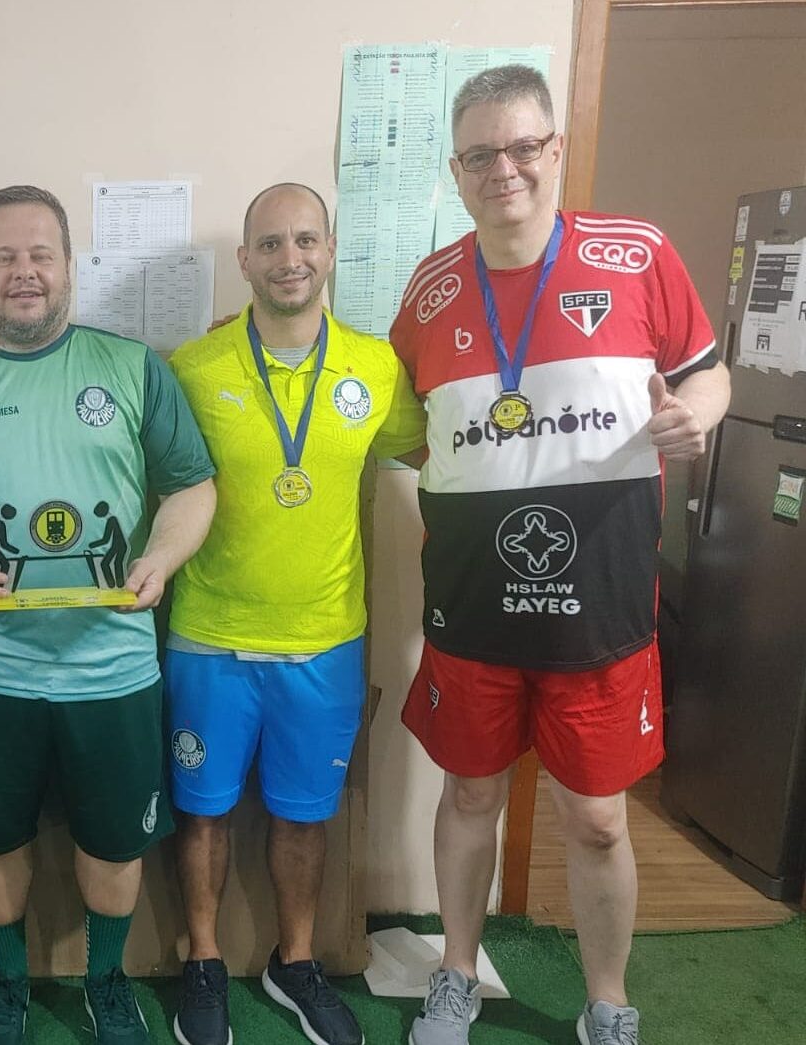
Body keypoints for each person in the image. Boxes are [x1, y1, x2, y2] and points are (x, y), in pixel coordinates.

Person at [390, 66, 730, 1045]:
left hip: (601, 605)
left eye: (522, 146)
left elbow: (707, 374)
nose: (503, 169)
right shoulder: (429, 291)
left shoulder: (636, 253)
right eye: (479, 154)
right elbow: (403, 423)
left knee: (598, 818)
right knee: (470, 793)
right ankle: (455, 973)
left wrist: (694, 418)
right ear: (457, 170)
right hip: (472, 604)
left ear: (555, 149)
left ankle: (606, 1001)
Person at [0, 184, 217, 1045]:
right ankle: (7, 983)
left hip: (114, 668)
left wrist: (163, 556)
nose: (23, 272)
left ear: (69, 267)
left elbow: (192, 487)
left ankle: (106, 982)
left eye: (40, 255)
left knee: (114, 845)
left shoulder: (133, 368)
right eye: (4, 257)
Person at [165, 183, 427, 1045]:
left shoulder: (375, 367)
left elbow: (441, 448)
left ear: (330, 250)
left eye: (306, 240)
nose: (290, 258)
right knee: (202, 811)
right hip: (209, 637)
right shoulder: (193, 367)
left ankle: (297, 960)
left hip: (324, 641)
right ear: (245, 260)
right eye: (271, 243)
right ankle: (203, 959)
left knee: (305, 814)